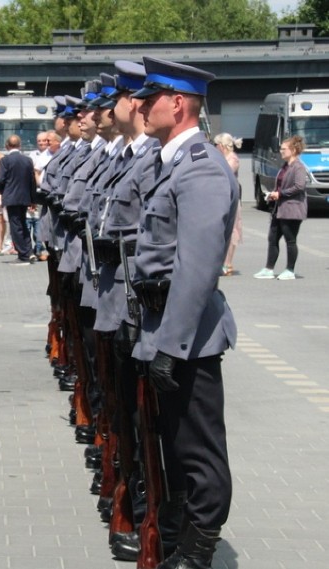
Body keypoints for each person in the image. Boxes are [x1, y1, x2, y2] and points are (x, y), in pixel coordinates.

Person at [131, 56, 238, 569]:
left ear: (176, 104)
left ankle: (197, 555)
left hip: (189, 337)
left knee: (198, 453)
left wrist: (170, 347)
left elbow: (196, 272)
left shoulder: (201, 168)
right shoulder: (171, 161)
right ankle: (175, 535)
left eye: (149, 98)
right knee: (172, 446)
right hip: (164, 329)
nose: (138, 106)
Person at [253, 135, 308, 281]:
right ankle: (268, 269)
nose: (281, 151)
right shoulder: (285, 166)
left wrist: (280, 194)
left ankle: (290, 270)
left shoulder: (299, 167)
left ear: (294, 150)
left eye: (284, 149)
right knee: (272, 238)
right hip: (279, 208)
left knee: (290, 240)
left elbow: (299, 186)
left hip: (292, 210)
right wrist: (273, 194)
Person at [0, 134, 36, 264]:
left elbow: (0, 179)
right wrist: (33, 198)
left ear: (7, 146)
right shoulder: (27, 160)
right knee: (23, 224)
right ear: (20, 145)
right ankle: (29, 251)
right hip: (24, 197)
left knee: (15, 226)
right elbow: (32, 180)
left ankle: (23, 254)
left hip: (11, 197)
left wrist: (0, 190)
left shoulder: (5, 161)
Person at [213, 132, 243, 276]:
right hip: (220, 197)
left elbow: (224, 173)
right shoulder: (222, 158)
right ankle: (220, 262)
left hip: (231, 198)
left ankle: (227, 263)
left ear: (221, 146)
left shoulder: (233, 159)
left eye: (216, 145)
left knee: (232, 231)